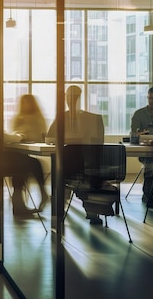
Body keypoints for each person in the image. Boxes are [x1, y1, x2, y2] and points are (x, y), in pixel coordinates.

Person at [0, 85, 49, 215]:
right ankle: (40, 196)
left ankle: (19, 206)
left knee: (20, 165)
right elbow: (3, 137)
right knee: (33, 163)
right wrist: (20, 136)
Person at [46, 85, 107, 224]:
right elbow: (49, 138)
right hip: (76, 165)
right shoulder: (62, 117)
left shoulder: (90, 119)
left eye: (74, 97)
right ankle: (90, 207)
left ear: (80, 98)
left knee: (72, 173)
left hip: (84, 165)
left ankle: (62, 210)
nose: (70, 100)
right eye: (68, 97)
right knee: (72, 168)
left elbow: (97, 143)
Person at [130, 86, 153, 208]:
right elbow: (132, 136)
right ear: (147, 97)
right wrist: (138, 135)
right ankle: (148, 195)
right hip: (146, 151)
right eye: (150, 98)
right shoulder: (138, 114)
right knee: (150, 163)